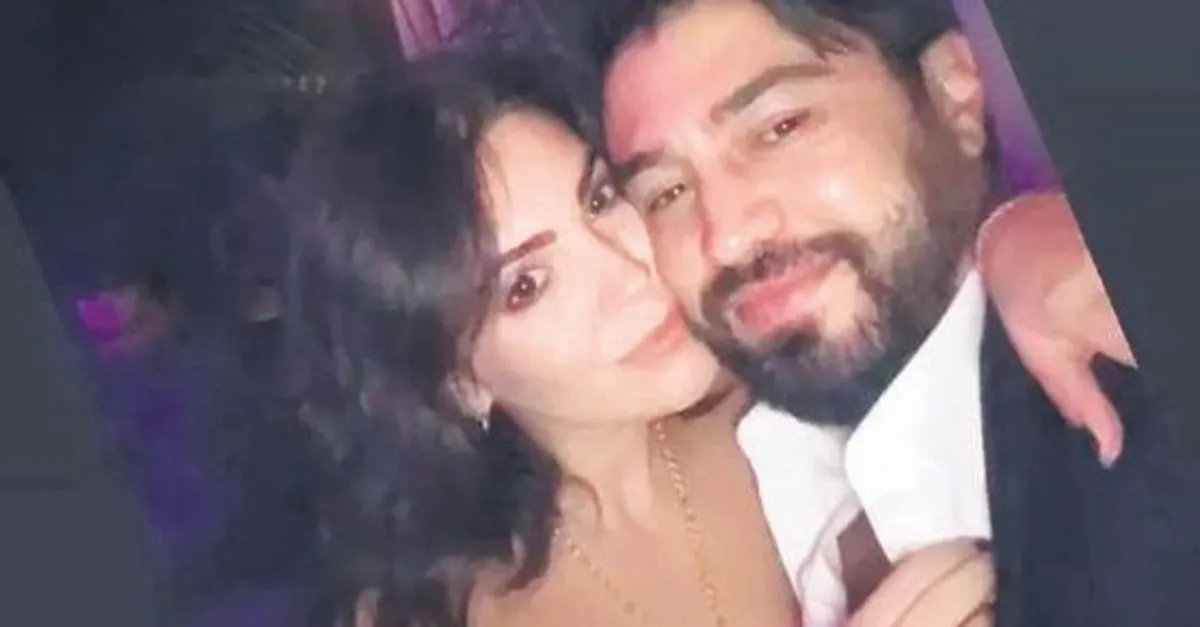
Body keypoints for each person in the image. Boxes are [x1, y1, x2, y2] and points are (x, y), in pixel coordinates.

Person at [286, 40, 1139, 627]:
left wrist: (1018, 234)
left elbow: (911, 260)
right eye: (527, 285)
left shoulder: (790, 387)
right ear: (456, 378)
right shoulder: (424, 614)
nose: (628, 270)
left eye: (600, 198)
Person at [584, 0, 1200, 625]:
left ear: (953, 91)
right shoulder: (745, 479)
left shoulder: (1127, 398)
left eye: (780, 128)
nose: (728, 238)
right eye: (667, 192)